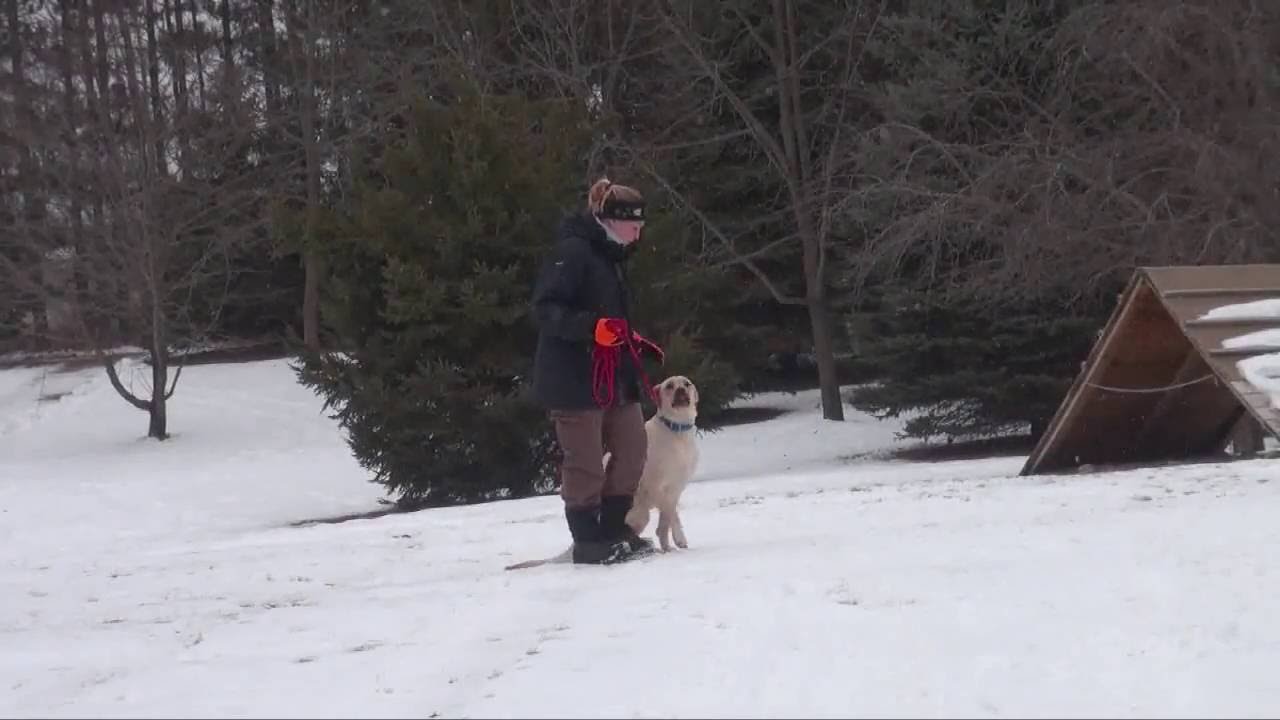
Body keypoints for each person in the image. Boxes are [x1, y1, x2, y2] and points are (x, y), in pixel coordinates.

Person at [530, 178, 666, 565]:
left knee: (633, 448)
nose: (639, 233)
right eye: (634, 225)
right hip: (573, 378)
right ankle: (588, 540)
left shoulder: (613, 257)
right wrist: (592, 329)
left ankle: (615, 530)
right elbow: (544, 309)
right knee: (585, 461)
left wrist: (629, 339)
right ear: (610, 220)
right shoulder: (572, 252)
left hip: (615, 376)